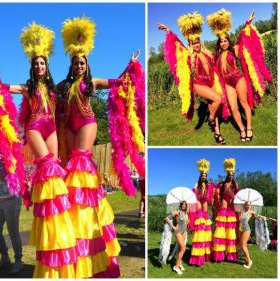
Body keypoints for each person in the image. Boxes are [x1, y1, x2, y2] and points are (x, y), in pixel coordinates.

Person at [0, 23, 77, 278]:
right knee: (46, 166)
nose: (39, 67)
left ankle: (58, 226)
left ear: (47, 67)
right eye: (36, 64)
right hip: (35, 127)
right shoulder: (27, 87)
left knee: (56, 172)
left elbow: (80, 82)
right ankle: (42, 210)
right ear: (32, 68)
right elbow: (2, 86)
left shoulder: (55, 89)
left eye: (42, 64)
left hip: (52, 129)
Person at [58, 16, 145, 278]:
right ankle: (74, 220)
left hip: (86, 122)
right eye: (75, 63)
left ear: (87, 65)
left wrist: (130, 66)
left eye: (82, 62)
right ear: (71, 65)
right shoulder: (62, 86)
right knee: (71, 172)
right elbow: (40, 90)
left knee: (81, 166)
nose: (79, 66)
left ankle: (89, 220)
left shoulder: (92, 83)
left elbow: (118, 83)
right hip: (69, 127)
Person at [158, 12, 227, 144]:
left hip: (211, 81)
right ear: (190, 44)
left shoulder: (207, 53)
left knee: (215, 105)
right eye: (194, 43)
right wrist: (168, 31)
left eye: (198, 42)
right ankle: (211, 119)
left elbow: (219, 54)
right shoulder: (189, 55)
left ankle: (217, 133)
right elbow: (177, 43)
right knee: (217, 99)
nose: (196, 45)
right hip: (200, 84)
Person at [208, 9, 273, 142]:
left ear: (228, 41)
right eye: (221, 41)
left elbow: (243, 36)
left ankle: (249, 127)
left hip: (238, 79)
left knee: (244, 103)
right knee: (233, 107)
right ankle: (242, 129)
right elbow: (201, 50)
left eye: (225, 40)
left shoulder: (235, 49)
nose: (223, 43)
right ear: (219, 43)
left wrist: (248, 22)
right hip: (228, 83)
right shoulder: (217, 55)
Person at [212, 158, 239, 262]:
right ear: (227, 174)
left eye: (232, 174)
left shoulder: (235, 184)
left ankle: (231, 255)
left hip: (231, 205)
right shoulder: (222, 184)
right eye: (229, 174)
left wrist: (236, 189)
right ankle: (219, 255)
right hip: (224, 203)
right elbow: (215, 189)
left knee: (231, 231)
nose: (231, 176)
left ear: (233, 175)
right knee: (221, 228)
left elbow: (238, 195)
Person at [189, 159, 213, 266]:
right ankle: (198, 257)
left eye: (205, 174)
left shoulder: (208, 184)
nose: (204, 176)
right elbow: (192, 192)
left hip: (205, 202)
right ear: (200, 175)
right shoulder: (197, 184)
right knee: (199, 221)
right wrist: (194, 188)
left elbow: (211, 193)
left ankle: (206, 253)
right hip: (199, 200)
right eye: (202, 174)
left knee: (206, 222)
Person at [166, 201, 189, 275]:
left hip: (184, 232)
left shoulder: (186, 214)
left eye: (185, 205)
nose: (184, 206)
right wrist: (173, 227)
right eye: (183, 204)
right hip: (178, 231)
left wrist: (186, 223)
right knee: (183, 249)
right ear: (181, 205)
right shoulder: (177, 212)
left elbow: (185, 223)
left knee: (179, 249)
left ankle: (179, 263)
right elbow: (167, 218)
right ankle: (176, 267)